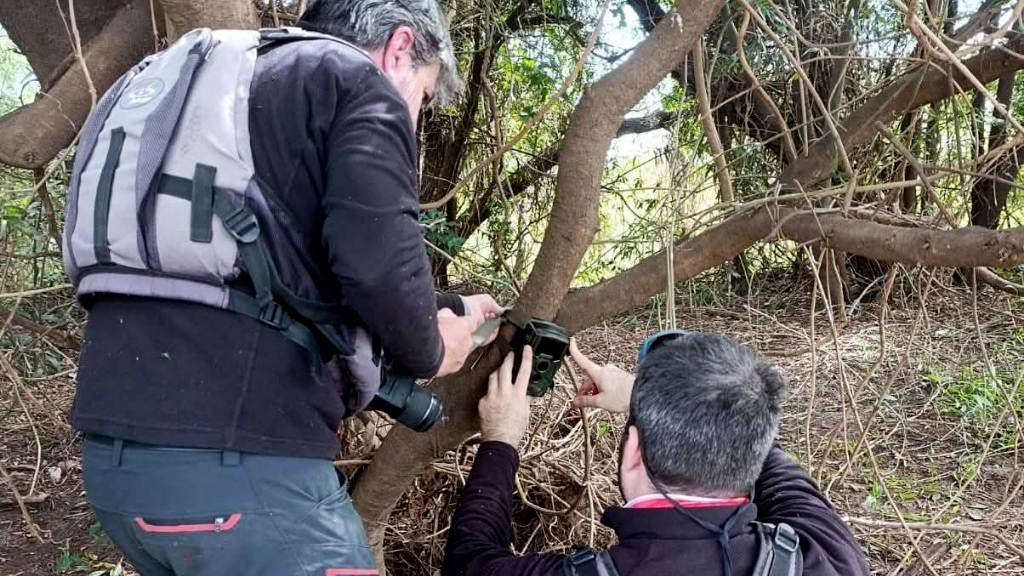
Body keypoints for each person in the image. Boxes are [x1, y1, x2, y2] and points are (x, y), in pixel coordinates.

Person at [66, 0, 500, 574]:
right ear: (399, 48)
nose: (414, 118)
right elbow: (375, 269)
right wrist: (432, 346)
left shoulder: (225, 84)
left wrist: (446, 308)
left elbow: (277, 275)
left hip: (118, 471)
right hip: (239, 473)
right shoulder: (354, 82)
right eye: (420, 95)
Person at [442, 331, 871, 576]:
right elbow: (764, 452)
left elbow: (469, 563)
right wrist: (650, 402)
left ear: (633, 453)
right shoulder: (827, 556)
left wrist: (500, 440)